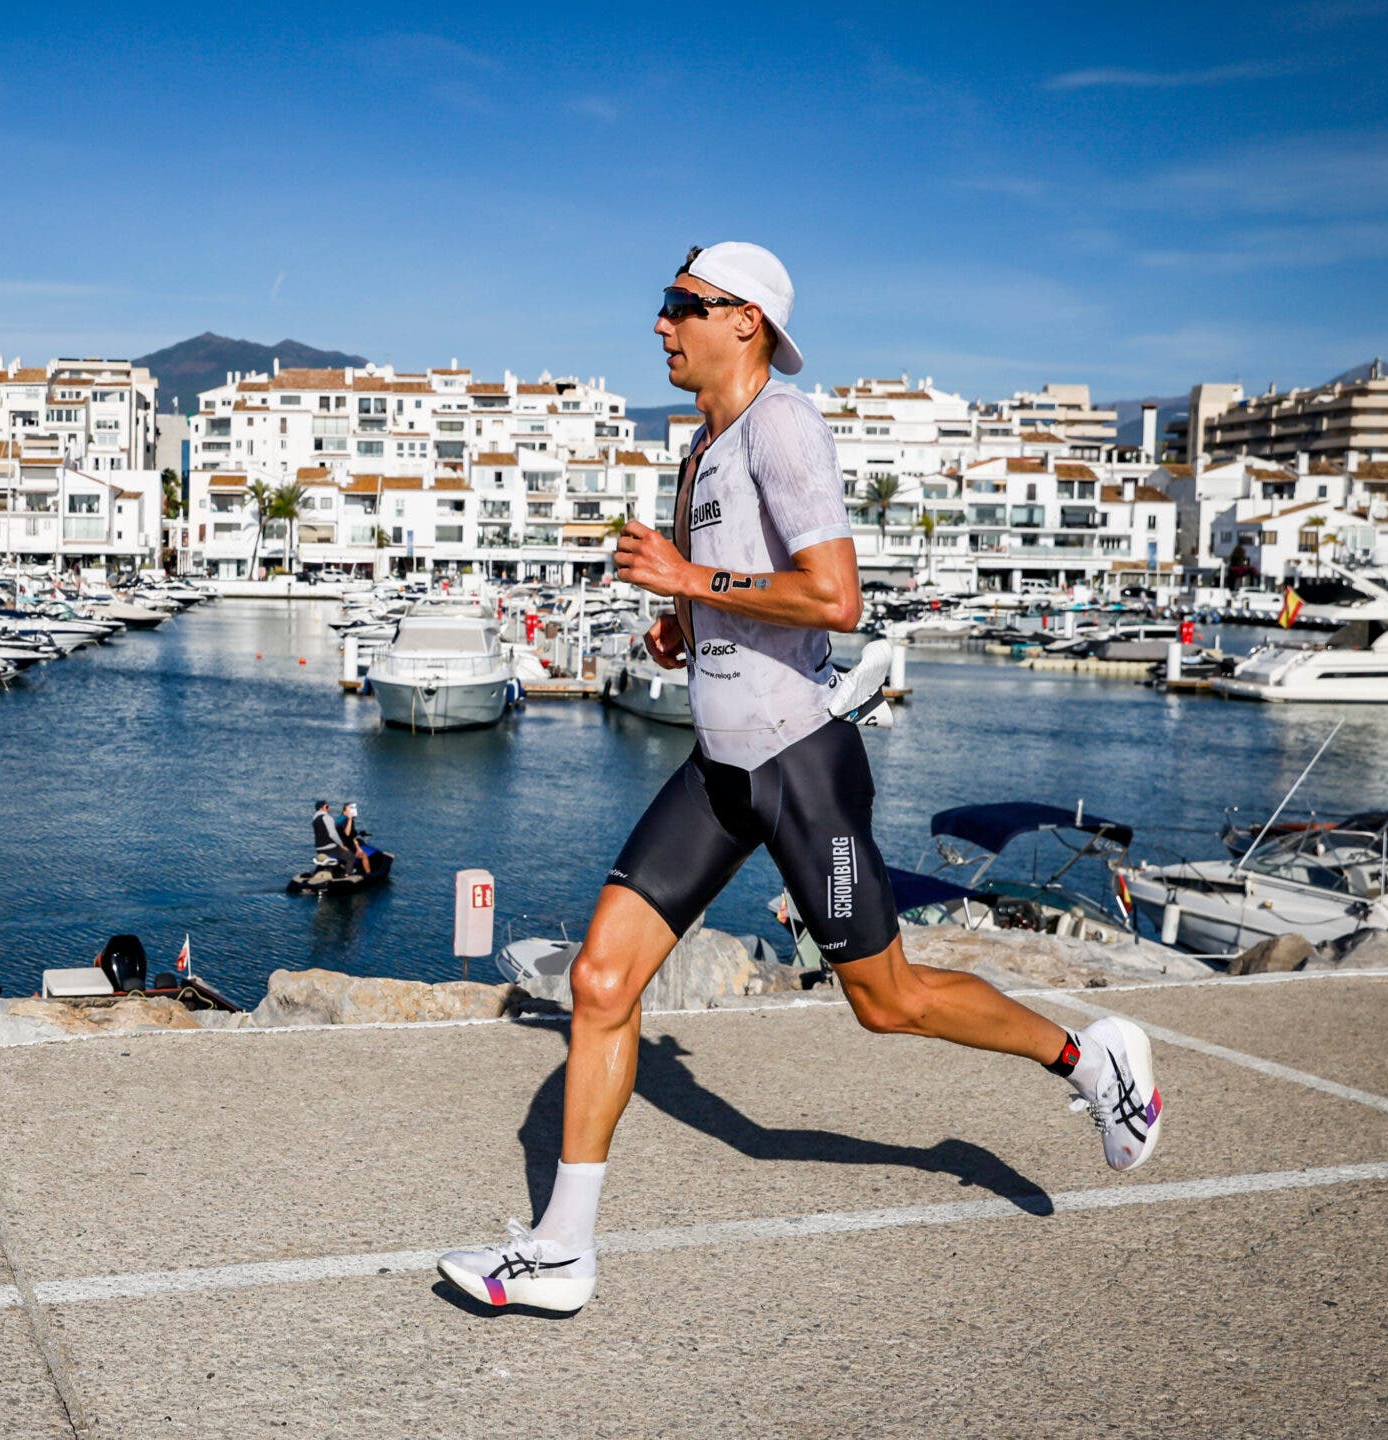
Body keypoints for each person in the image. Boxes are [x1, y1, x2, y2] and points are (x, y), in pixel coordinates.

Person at [438, 242, 1161, 1317]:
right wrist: (684, 621)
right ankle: (561, 1252)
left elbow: (834, 597)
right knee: (598, 983)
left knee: (889, 1001)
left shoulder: (784, 425)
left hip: (799, 767)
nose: (659, 324)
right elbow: (742, 594)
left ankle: (1090, 1058)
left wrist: (689, 576)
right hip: (718, 768)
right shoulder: (699, 450)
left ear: (745, 321)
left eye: (680, 305)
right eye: (665, 303)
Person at [311, 800, 350, 872]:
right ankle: (347, 874)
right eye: (327, 806)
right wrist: (341, 845)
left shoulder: (315, 819)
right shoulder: (327, 817)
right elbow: (333, 834)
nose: (329, 808)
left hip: (318, 848)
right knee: (350, 856)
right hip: (329, 847)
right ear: (321, 808)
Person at [340, 801, 372, 875]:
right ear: (344, 811)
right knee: (364, 855)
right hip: (344, 846)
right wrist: (358, 848)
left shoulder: (341, 819)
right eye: (350, 809)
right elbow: (348, 834)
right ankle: (369, 875)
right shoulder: (346, 821)